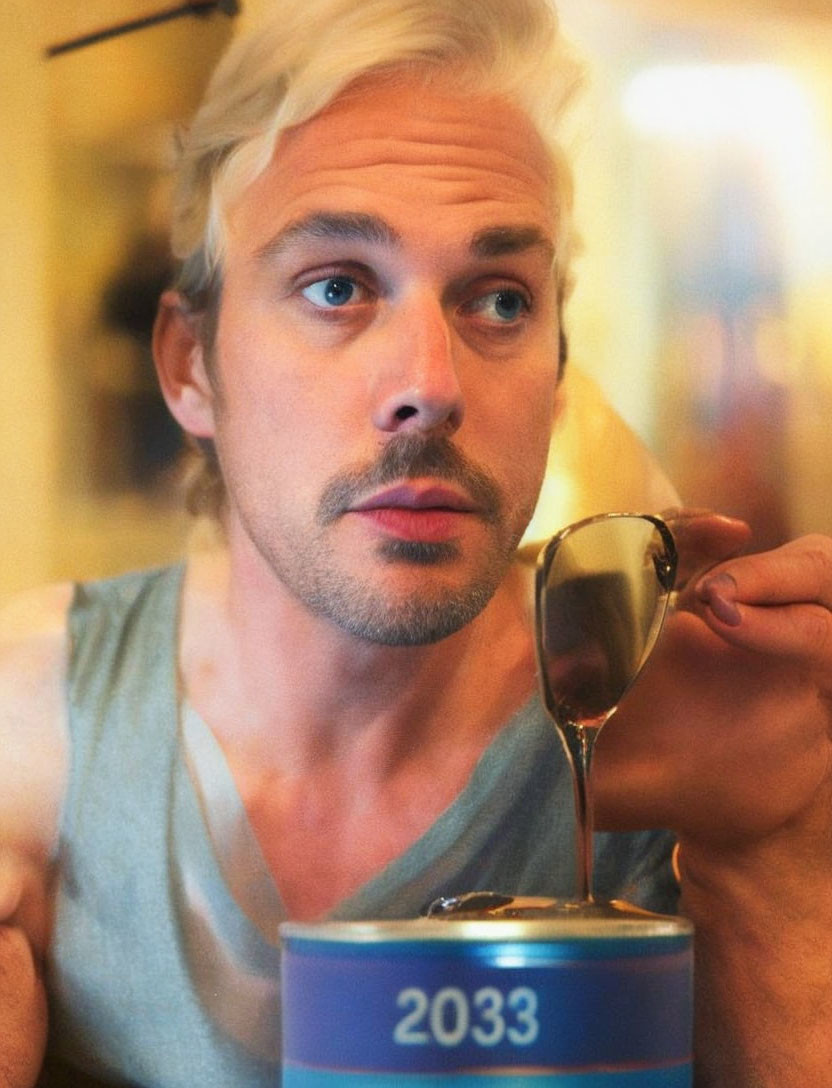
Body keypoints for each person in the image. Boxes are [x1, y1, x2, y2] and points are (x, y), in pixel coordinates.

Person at [1, 0, 830, 1084]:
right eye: (337, 286)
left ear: (556, 370)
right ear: (189, 365)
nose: (430, 388)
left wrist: (773, 861)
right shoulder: (39, 723)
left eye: (496, 300)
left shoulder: (676, 732)